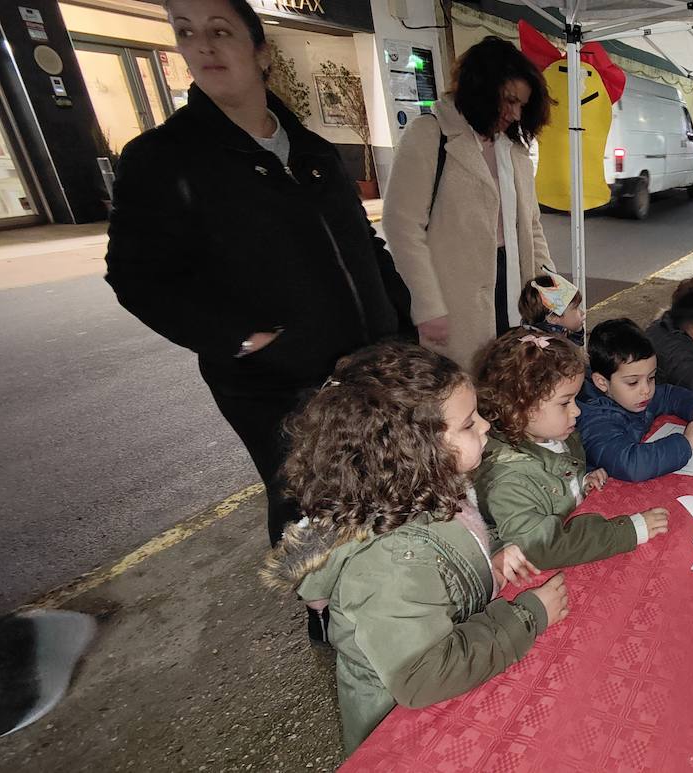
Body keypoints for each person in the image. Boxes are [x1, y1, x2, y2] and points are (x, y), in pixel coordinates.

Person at [105, 0, 414, 562]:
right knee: (308, 502)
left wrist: (399, 319)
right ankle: (328, 619)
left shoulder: (314, 150)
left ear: (260, 51)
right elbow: (135, 277)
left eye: (220, 31)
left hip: (369, 361)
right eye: (187, 33)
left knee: (377, 482)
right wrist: (242, 339)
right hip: (276, 381)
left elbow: (364, 246)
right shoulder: (163, 158)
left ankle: (386, 598)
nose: (203, 46)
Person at [261, 342, 568, 754]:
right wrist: (528, 617)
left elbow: (447, 566)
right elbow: (424, 675)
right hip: (403, 732)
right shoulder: (392, 562)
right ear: (414, 449)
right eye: (467, 424)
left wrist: (487, 562)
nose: (486, 427)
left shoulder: (426, 492)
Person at [384, 36, 555, 369]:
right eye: (509, 101)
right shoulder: (430, 134)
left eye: (522, 104)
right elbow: (402, 225)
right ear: (481, 89)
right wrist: (428, 304)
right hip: (454, 293)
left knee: (510, 381)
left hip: (513, 283)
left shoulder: (514, 151)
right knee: (461, 386)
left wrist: (554, 295)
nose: (515, 114)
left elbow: (531, 227)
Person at [473, 330, 670, 570]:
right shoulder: (507, 482)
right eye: (565, 403)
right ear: (518, 409)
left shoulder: (552, 434)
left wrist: (581, 479)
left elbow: (557, 476)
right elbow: (544, 547)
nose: (577, 411)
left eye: (575, 399)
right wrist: (630, 531)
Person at [576, 318, 693, 482]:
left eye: (651, 377)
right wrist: (685, 443)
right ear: (602, 383)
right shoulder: (594, 422)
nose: (646, 390)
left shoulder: (636, 396)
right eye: (633, 382)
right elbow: (632, 464)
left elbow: (667, 395)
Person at [517, 273, 585, 346]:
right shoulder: (550, 349)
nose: (583, 312)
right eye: (576, 308)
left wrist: (577, 330)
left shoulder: (559, 334)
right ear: (553, 318)